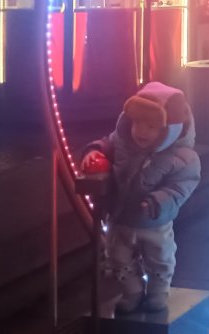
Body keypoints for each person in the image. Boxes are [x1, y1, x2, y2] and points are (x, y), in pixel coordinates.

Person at [81, 82, 201, 314]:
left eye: (151, 126)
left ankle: (158, 292)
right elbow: (107, 144)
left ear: (170, 129)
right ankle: (132, 291)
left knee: (159, 258)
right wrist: (94, 151)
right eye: (137, 123)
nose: (141, 131)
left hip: (155, 222)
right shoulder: (122, 142)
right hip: (121, 218)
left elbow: (182, 187)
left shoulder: (182, 157)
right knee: (118, 258)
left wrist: (159, 201)